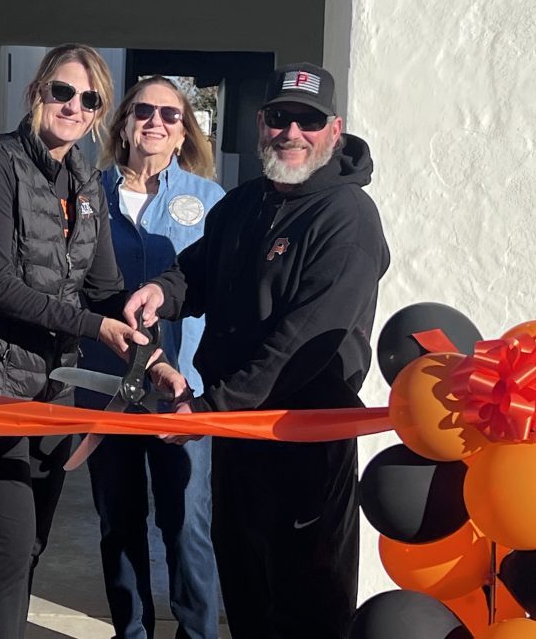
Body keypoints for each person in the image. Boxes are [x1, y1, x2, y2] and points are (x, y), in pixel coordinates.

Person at [124, 62, 390, 638]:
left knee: (305, 608)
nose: (292, 133)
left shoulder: (347, 218)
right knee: (246, 595)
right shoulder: (244, 204)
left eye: (308, 121)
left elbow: (299, 344)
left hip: (304, 444)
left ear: (334, 130)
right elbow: (197, 271)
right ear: (260, 123)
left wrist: (209, 408)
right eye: (280, 117)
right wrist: (162, 293)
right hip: (239, 441)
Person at [0, 44, 163, 639]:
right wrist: (94, 326)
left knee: (30, 544)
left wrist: (143, 336)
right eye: (62, 91)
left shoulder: (86, 180)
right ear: (36, 92)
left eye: (89, 99)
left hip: (53, 388)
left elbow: (103, 287)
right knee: (7, 544)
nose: (73, 106)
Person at [76, 76, 224, 639]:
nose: (155, 122)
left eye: (169, 113)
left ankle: (197, 634)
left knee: (187, 524)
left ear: (184, 130)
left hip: (182, 393)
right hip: (105, 384)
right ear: (124, 123)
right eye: (143, 111)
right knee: (118, 521)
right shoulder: (88, 193)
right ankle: (131, 632)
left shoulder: (210, 201)